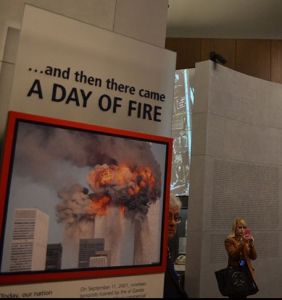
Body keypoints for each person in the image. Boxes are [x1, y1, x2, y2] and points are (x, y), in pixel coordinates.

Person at [224, 218, 257, 297]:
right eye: (240, 227)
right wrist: (242, 243)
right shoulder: (229, 240)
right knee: (235, 295)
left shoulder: (246, 240)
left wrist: (252, 245)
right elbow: (233, 255)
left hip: (245, 272)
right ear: (235, 228)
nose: (242, 230)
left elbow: (254, 257)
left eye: (244, 227)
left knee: (244, 295)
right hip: (235, 273)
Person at [164, 193, 188, 298]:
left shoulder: (166, 250)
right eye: (168, 217)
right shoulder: (153, 254)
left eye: (176, 217)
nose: (173, 223)